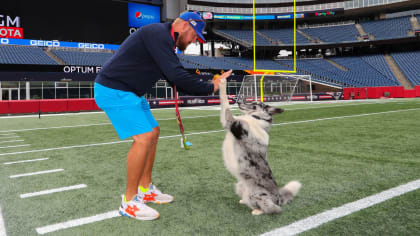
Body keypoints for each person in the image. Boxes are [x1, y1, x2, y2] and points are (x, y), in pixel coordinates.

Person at [94, 11, 232, 221]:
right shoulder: (158, 34)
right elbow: (176, 75)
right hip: (114, 90)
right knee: (144, 137)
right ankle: (129, 202)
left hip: (129, 92)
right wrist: (210, 87)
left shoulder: (163, 40)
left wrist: (206, 83)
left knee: (154, 132)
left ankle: (145, 188)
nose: (194, 41)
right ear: (185, 26)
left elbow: (173, 76)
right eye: (194, 36)